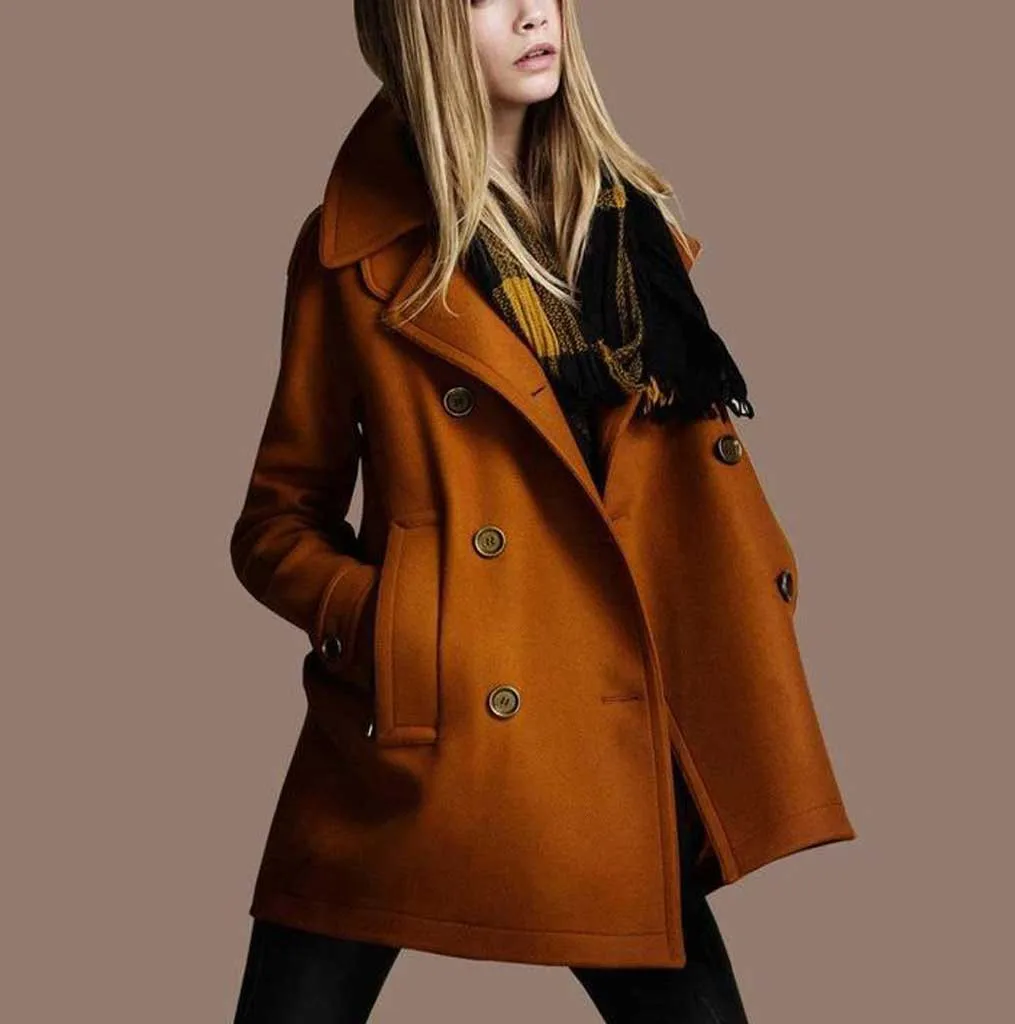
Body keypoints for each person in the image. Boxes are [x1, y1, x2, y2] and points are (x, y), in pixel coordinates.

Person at [228, 2, 856, 1021]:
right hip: (423, 730)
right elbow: (274, 523)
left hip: (604, 720)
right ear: (422, 31)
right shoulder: (356, 255)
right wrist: (392, 626)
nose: (532, 14)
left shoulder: (632, 230)